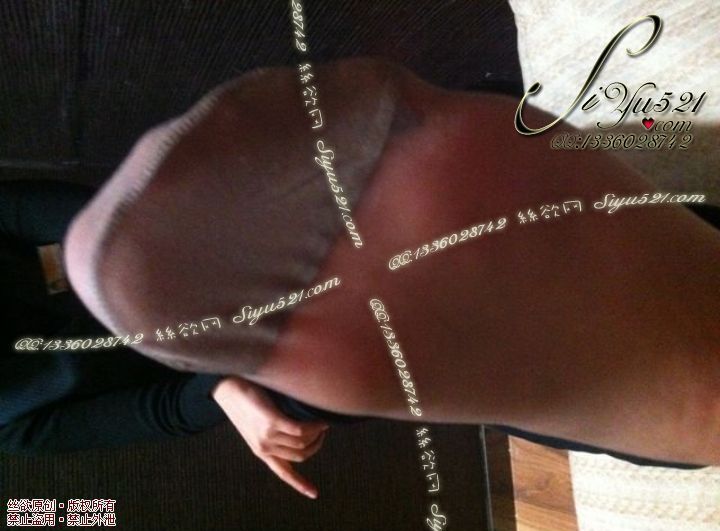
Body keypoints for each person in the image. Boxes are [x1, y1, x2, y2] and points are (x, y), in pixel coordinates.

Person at [62, 57, 720, 469]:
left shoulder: (22, 434)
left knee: (291, 380)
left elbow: (156, 411)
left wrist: (224, 385)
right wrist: (225, 391)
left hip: (249, 339)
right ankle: (401, 149)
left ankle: (688, 408)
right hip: (234, 325)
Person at [0, 180, 331, 499]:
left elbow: (118, 232)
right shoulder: (14, 423)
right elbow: (165, 412)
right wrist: (222, 387)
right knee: (284, 412)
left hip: (203, 251)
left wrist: (218, 371)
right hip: (232, 358)